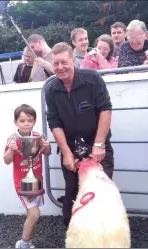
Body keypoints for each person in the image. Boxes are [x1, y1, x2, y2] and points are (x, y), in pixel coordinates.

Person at [44, 42, 114, 228]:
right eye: (55, 63)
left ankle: (102, 235)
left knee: (100, 191)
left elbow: (105, 109)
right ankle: (74, 234)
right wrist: (66, 152)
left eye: (64, 62)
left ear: (73, 59)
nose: (59, 67)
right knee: (73, 192)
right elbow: (55, 122)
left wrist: (99, 145)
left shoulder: (92, 78)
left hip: (97, 145)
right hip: (70, 148)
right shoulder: (51, 89)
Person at [3, 104, 51, 248]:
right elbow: (6, 161)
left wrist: (47, 145)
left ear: (34, 121)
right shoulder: (12, 139)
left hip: (37, 182)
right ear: (16, 122)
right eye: (22, 121)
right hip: (23, 184)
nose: (26, 123)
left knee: (31, 215)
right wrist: (11, 150)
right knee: (34, 214)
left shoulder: (38, 136)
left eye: (29, 120)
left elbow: (47, 153)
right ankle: (23, 243)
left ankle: (28, 242)